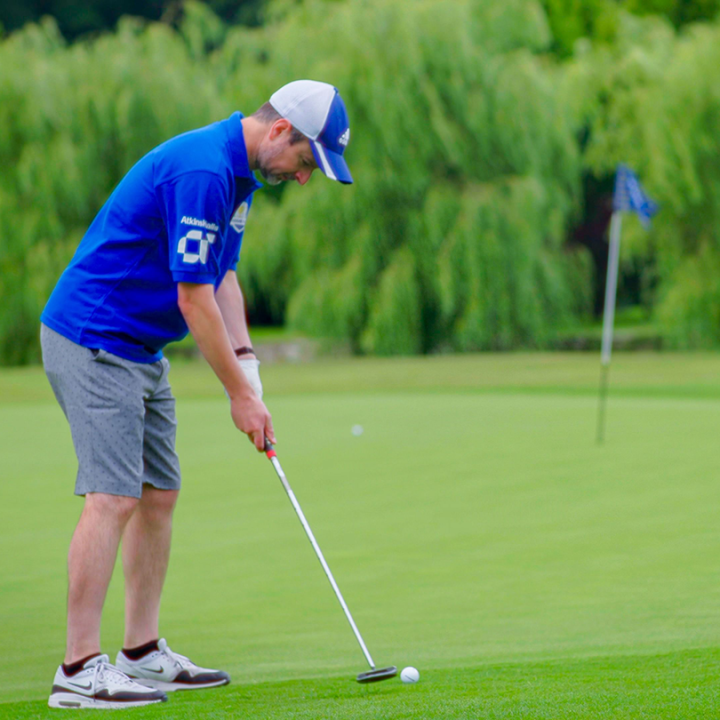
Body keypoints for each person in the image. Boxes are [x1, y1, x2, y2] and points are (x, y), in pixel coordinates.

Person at [40, 79, 353, 710]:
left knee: (159, 493)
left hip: (139, 347)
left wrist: (248, 365)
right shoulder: (205, 171)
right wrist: (238, 397)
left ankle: (141, 651)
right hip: (94, 335)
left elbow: (223, 275)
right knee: (113, 496)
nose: (302, 178)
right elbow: (192, 298)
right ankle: (77, 668)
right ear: (281, 132)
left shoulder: (240, 179)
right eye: (305, 161)